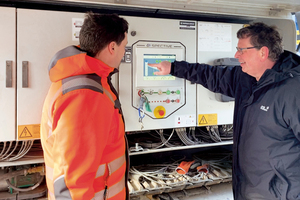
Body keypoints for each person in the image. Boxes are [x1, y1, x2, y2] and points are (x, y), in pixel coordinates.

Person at [149, 22, 300, 200]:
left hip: (280, 193)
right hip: (249, 189)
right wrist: (173, 68)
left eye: (242, 50)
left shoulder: (293, 89)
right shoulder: (246, 78)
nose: (236, 55)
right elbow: (210, 75)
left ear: (263, 52)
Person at [40, 12, 129, 200]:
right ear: (112, 47)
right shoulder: (85, 95)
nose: (124, 53)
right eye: (124, 47)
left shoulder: (82, 78)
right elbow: (73, 182)